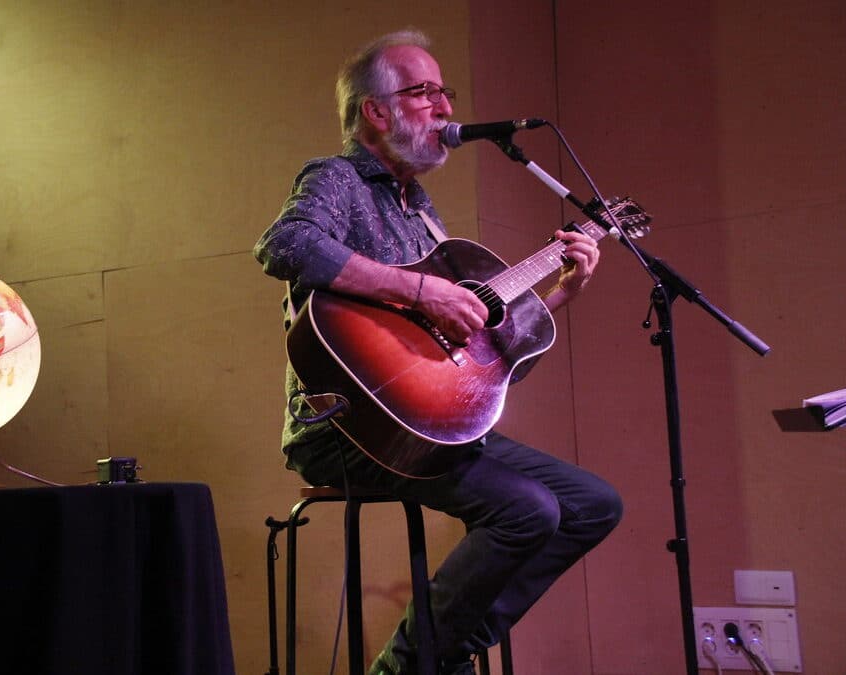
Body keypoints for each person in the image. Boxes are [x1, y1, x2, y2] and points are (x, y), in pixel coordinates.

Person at [254, 29, 622, 675]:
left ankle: (437, 652)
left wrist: (562, 292)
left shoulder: (419, 209)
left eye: (444, 92)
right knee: (527, 509)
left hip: (426, 425)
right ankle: (409, 667)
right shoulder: (337, 178)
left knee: (593, 503)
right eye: (424, 92)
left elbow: (473, 350)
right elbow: (286, 246)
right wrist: (421, 289)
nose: (446, 107)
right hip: (342, 424)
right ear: (375, 111)